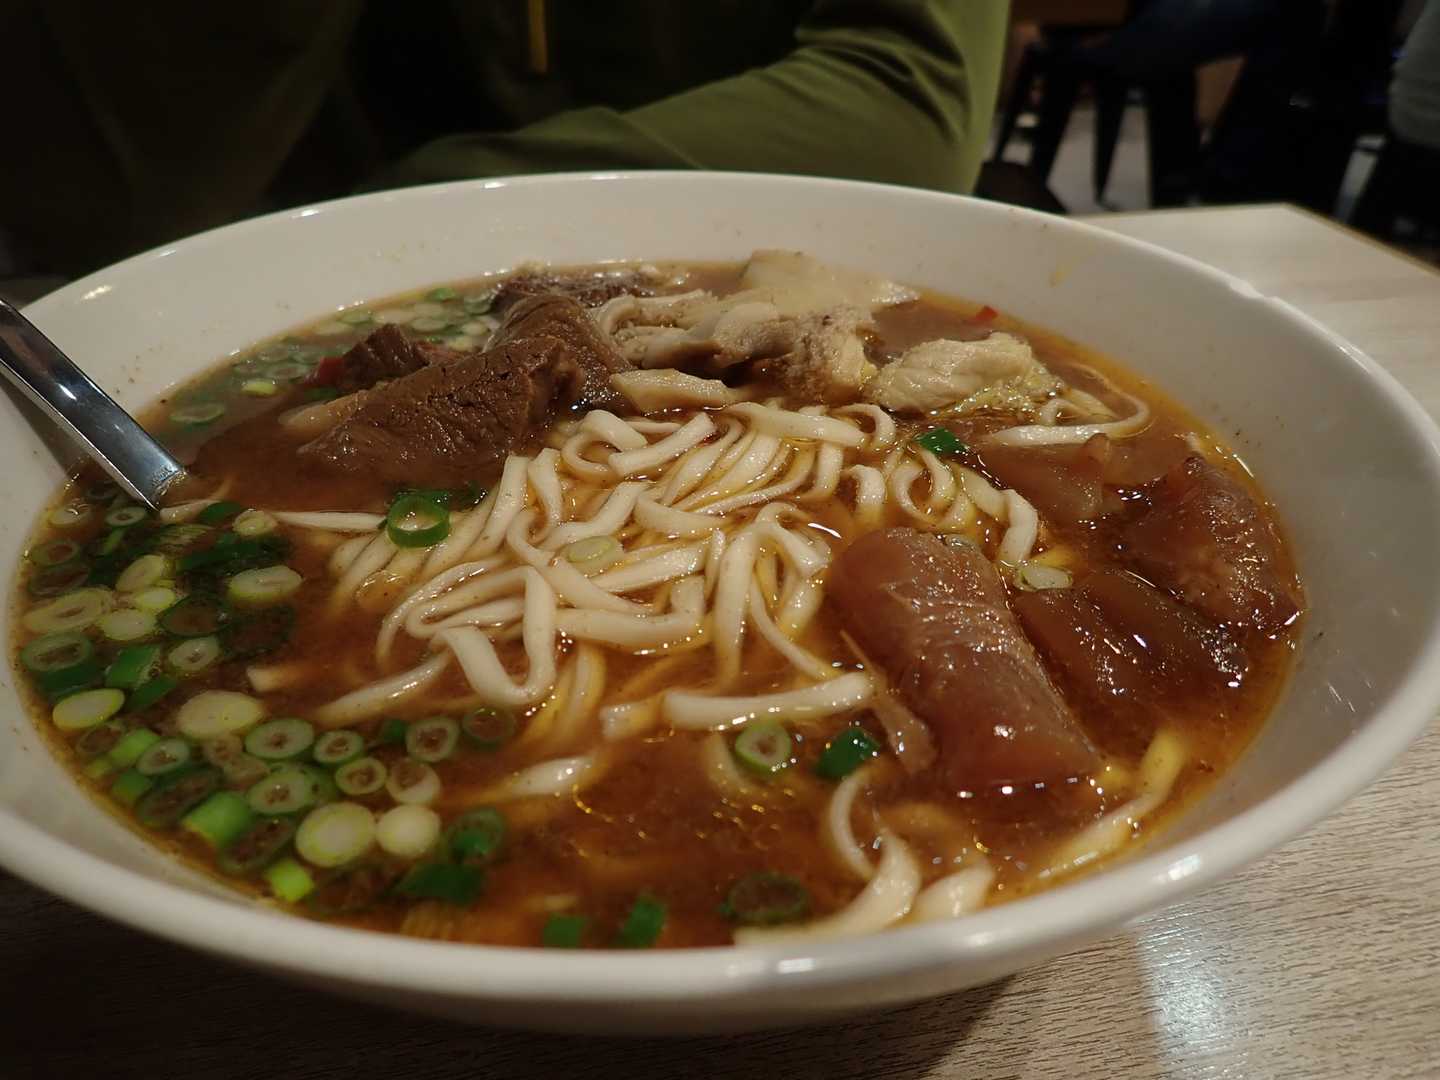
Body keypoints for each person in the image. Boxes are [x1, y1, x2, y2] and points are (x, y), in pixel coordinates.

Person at [0, 1, 1006, 279]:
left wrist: (430, 203)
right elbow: (92, 218)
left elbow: (910, 102)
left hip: (753, 275)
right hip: (262, 286)